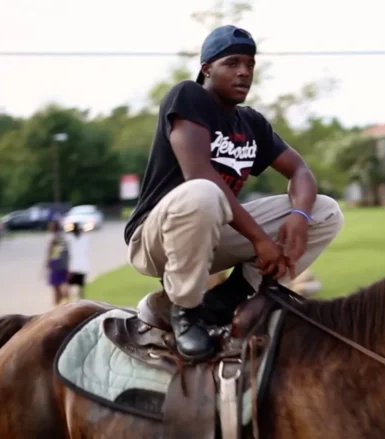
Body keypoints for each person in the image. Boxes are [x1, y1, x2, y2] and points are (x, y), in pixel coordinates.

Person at [124, 24, 344, 361]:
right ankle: (185, 311)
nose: (244, 72)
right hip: (157, 238)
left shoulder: (250, 123)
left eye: (250, 64)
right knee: (202, 192)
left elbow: (300, 171)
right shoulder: (189, 96)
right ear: (206, 69)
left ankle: (232, 297)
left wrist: (300, 217)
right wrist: (260, 239)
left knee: (325, 210)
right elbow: (200, 174)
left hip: (211, 231)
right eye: (232, 63)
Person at [44, 220, 70, 305]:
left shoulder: (54, 239)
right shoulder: (63, 237)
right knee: (64, 283)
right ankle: (66, 300)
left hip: (56, 264)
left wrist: (48, 262)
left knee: (56, 287)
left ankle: (57, 303)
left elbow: (52, 253)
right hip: (64, 264)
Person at [66, 222, 90, 299]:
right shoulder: (74, 238)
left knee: (78, 286)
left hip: (79, 266)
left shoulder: (80, 238)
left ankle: (80, 300)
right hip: (76, 265)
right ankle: (73, 300)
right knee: (73, 286)